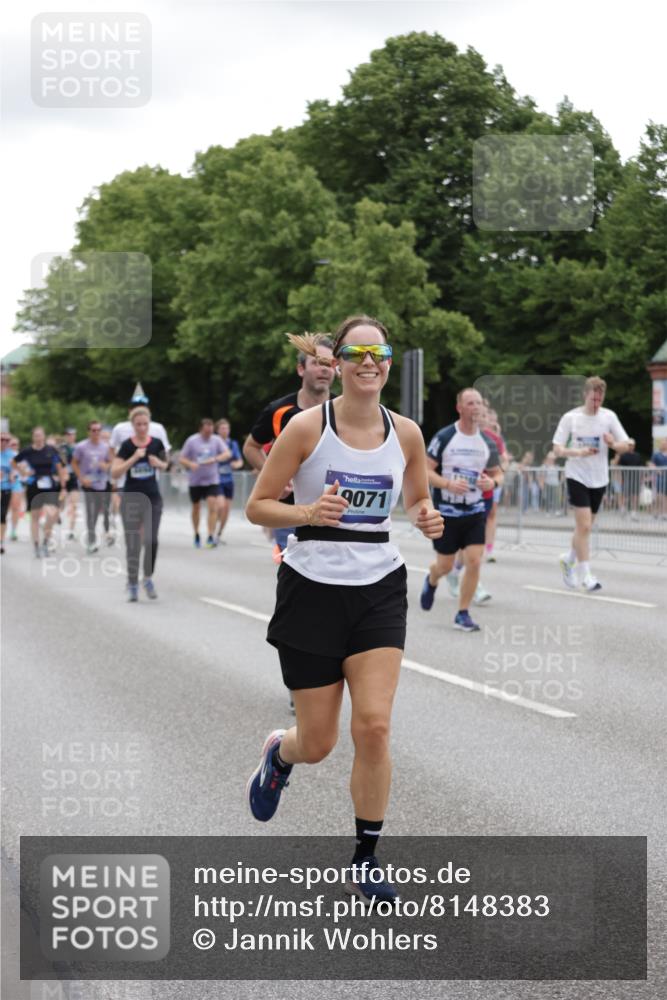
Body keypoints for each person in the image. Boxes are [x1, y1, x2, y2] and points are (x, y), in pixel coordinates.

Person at [244, 316, 442, 904]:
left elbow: (416, 497)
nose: (367, 362)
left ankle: (366, 856)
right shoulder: (307, 429)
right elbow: (258, 507)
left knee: (375, 727)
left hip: (379, 584)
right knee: (319, 741)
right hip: (312, 588)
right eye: (355, 352)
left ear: (386, 361)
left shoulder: (406, 433)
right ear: (338, 362)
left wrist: (427, 515)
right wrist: (306, 514)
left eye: (377, 352)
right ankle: (280, 753)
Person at [243, 335, 335, 561]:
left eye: (329, 364)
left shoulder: (343, 411)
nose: (323, 370)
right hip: (289, 512)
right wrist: (276, 478)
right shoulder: (279, 411)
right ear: (300, 369)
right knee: (295, 571)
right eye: (316, 363)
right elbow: (251, 447)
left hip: (331, 511)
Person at [420, 388, 503, 632]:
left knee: (474, 562)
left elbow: (499, 473)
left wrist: (493, 482)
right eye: (470, 403)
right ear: (460, 408)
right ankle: (432, 579)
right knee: (444, 566)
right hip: (447, 513)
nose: (476, 407)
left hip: (475, 511)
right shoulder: (445, 437)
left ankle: (463, 612)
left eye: (479, 403)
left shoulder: (487, 442)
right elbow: (425, 470)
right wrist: (447, 484)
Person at [552, 376, 632, 591]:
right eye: (593, 400)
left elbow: (627, 445)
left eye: (600, 399)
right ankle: (586, 575)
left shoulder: (608, 417)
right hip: (576, 475)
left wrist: (614, 443)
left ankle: (568, 559)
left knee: (584, 528)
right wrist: (577, 452)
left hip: (599, 477)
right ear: (584, 395)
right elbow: (557, 448)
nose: (596, 404)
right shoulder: (571, 418)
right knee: (585, 525)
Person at [111, 407, 168, 601]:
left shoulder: (157, 443)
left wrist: (157, 463)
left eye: (145, 424)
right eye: (138, 424)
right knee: (133, 542)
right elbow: (115, 472)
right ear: (133, 425)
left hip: (153, 497)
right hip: (132, 498)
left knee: (152, 540)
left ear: (149, 424)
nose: (142, 428)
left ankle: (148, 577)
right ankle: (133, 582)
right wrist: (134, 458)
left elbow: (166, 464)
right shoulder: (127, 446)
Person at [12, 427, 66, 557]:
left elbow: (59, 467)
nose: (38, 438)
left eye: (40, 435)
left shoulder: (50, 449)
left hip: (50, 485)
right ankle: (36, 545)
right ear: (33, 437)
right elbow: (14, 462)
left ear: (44, 436)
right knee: (35, 516)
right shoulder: (28, 451)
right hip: (34, 485)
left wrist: (63, 486)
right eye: (36, 436)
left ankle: (45, 542)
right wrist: (23, 472)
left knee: (52, 514)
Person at [110, 385, 171, 493]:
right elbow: (112, 450)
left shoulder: (158, 428)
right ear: (130, 411)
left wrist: (160, 464)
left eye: (143, 407)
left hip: (150, 482)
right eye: (136, 407)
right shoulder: (120, 428)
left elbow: (165, 456)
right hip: (125, 482)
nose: (140, 410)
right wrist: (116, 471)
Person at [179, 419, 228, 548]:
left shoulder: (216, 440)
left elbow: (227, 453)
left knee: (213, 506)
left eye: (211, 430)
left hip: (212, 480)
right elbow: (182, 458)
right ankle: (196, 533)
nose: (209, 433)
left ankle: (210, 535)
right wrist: (190, 464)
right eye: (206, 430)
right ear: (201, 429)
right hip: (195, 481)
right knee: (196, 507)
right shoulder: (192, 440)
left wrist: (215, 458)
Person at [72, 420, 113, 553]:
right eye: (93, 430)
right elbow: (74, 463)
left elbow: (111, 463)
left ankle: (92, 534)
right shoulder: (81, 446)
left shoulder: (106, 447)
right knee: (90, 511)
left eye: (98, 430)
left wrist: (105, 466)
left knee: (96, 512)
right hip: (87, 484)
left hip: (101, 484)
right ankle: (91, 541)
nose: (96, 433)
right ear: (88, 432)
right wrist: (81, 478)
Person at [214, 418, 243, 543]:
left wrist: (236, 465)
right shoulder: (213, 443)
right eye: (222, 428)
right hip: (216, 479)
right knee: (220, 506)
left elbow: (239, 461)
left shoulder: (232, 444)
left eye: (227, 428)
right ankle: (212, 532)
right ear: (217, 430)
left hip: (228, 480)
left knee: (226, 509)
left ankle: (219, 534)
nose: (225, 430)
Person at [58, 428, 80, 539]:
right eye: (68, 435)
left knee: (74, 504)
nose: (70, 437)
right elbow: (61, 462)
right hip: (64, 477)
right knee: (61, 502)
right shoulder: (62, 448)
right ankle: (57, 514)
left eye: (72, 435)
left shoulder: (79, 447)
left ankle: (71, 530)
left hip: (74, 478)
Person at [612, 440, 642, 519]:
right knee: (625, 495)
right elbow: (616, 466)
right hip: (626, 479)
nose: (630, 446)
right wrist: (620, 478)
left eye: (632, 445)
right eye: (629, 445)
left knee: (635, 496)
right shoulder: (623, 455)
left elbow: (640, 467)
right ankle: (623, 510)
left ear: (634, 446)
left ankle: (634, 512)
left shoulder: (638, 455)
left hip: (636, 479)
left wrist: (641, 478)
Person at [1, 431, 16, 554]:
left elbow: (15, 471)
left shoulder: (12, 455)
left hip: (6, 487)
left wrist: (12, 475)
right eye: (2, 439)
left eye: (7, 440)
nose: (5, 442)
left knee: (2, 515)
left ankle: (1, 542)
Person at [8, 436, 25, 541]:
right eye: (12, 444)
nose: (14, 446)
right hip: (4, 484)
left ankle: (13, 530)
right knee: (4, 509)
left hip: (16, 484)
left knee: (15, 508)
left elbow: (24, 471)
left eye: (16, 444)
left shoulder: (21, 456)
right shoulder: (4, 454)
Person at [648, 437, 667, 518]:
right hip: (660, 477)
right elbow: (651, 464)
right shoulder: (656, 454)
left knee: (665, 496)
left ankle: (664, 513)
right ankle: (659, 512)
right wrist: (656, 470)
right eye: (662, 443)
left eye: (665, 443)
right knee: (659, 495)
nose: (664, 445)